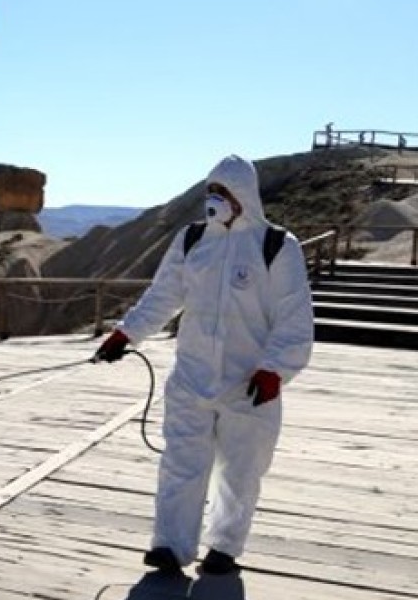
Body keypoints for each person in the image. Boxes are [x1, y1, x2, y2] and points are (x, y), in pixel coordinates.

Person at [94, 155, 314, 576]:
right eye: (212, 190)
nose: (216, 199)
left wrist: (274, 370)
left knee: (240, 469)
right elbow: (162, 296)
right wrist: (127, 333)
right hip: (192, 377)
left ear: (244, 196)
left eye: (224, 192)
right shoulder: (193, 240)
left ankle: (224, 547)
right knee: (181, 462)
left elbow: (294, 317)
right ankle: (170, 546)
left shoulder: (276, 246)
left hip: (249, 384)